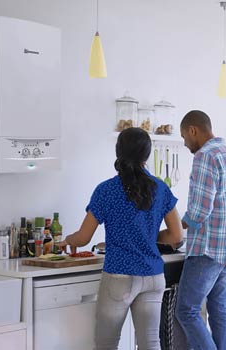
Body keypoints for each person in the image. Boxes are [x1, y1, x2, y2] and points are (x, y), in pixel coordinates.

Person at [59, 127, 183, 350]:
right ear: (147, 155)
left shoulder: (106, 190)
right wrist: (149, 235)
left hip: (119, 276)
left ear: (118, 152)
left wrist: (67, 240)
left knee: (107, 344)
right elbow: (176, 235)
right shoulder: (161, 188)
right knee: (150, 343)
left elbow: (84, 237)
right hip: (153, 276)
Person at [175, 110, 226, 350]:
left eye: (184, 136)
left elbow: (199, 210)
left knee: (186, 310)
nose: (185, 143)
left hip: (207, 249)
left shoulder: (205, 156)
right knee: (219, 312)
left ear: (193, 130)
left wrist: (176, 227)